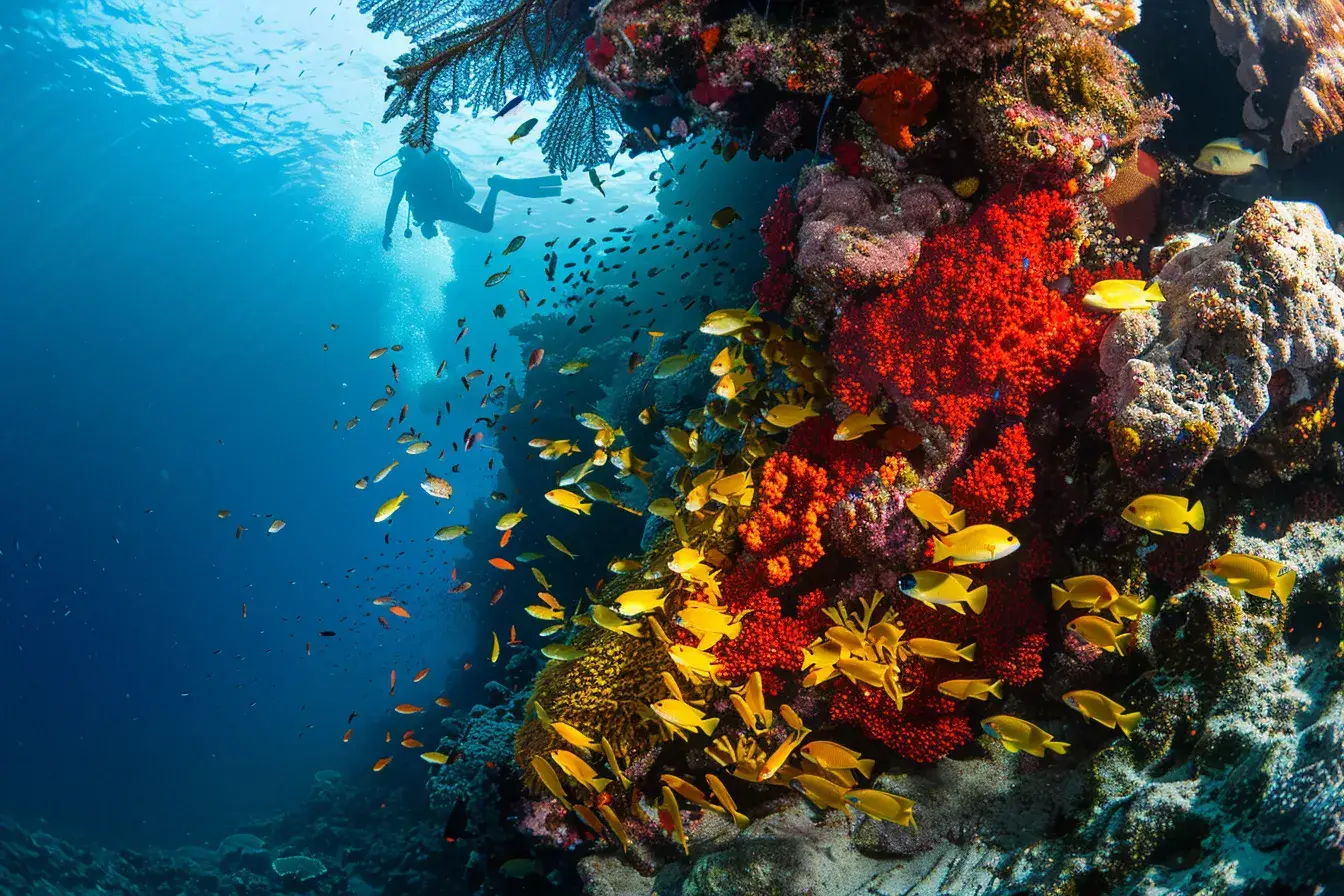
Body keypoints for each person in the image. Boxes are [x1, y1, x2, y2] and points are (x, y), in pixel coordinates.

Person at [382, 146, 561, 247]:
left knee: (484, 226)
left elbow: (394, 205)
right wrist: (387, 232)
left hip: (445, 206)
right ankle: (496, 186)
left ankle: (497, 186)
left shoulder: (429, 162)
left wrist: (388, 233)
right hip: (441, 209)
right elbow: (393, 205)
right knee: (484, 226)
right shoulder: (406, 174)